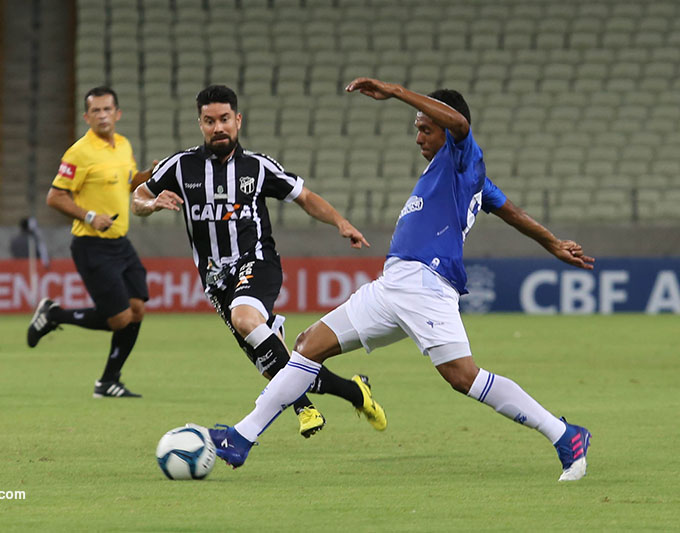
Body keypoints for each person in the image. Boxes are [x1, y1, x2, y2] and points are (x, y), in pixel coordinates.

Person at [207, 78, 596, 482]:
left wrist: (394, 91)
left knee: (464, 377)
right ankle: (241, 437)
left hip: (426, 283)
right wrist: (550, 241)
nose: (418, 137)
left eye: (425, 128)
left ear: (447, 129)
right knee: (308, 346)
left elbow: (461, 126)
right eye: (417, 128)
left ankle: (565, 434)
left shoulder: (463, 156)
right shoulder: (456, 174)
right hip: (392, 285)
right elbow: (508, 208)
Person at [131, 84, 386, 438]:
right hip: (216, 279)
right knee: (269, 362)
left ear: (237, 120)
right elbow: (137, 198)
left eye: (224, 119)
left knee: (246, 318)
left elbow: (305, 197)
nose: (217, 127)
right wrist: (151, 204)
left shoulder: (257, 167)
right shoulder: (180, 165)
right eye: (209, 121)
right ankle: (354, 392)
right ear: (200, 124)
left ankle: (303, 408)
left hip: (258, 261)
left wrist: (340, 222)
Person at [26, 86, 151, 398]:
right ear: (87, 117)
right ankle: (53, 315)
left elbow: (130, 181)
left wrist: (150, 175)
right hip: (91, 245)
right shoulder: (78, 152)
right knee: (119, 318)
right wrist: (89, 215)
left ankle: (108, 381)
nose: (103, 115)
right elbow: (54, 196)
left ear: (118, 113)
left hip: (120, 242)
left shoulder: (123, 145)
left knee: (136, 310)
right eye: (96, 111)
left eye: (108, 109)